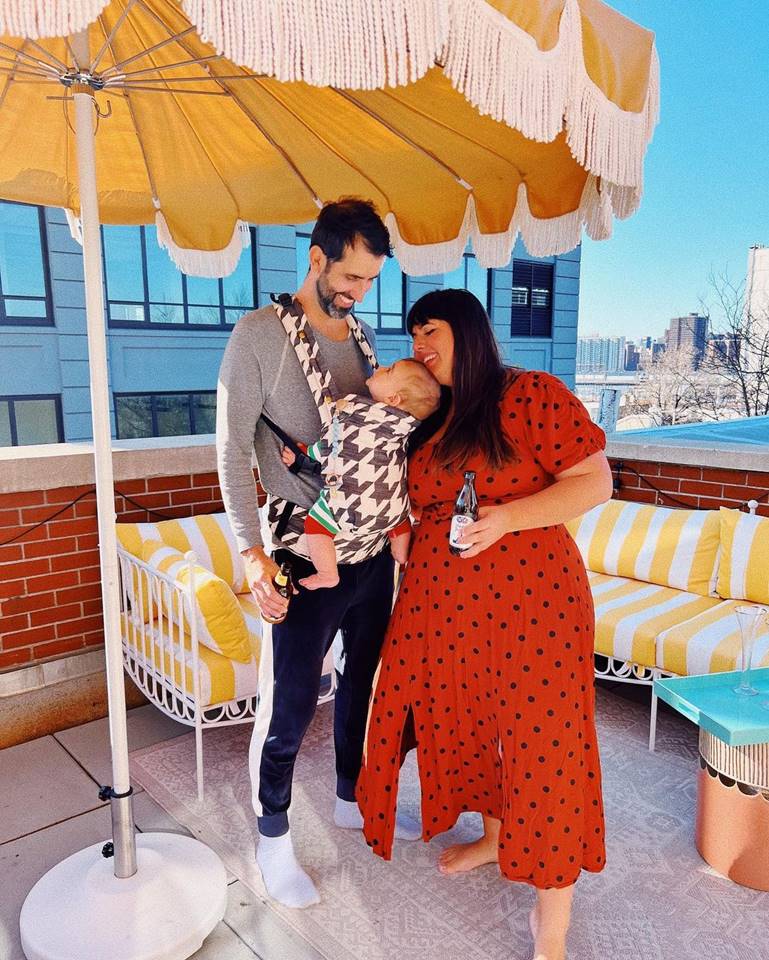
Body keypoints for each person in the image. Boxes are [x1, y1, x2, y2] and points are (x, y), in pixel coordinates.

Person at [356, 289, 613, 960]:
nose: (418, 344)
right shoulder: (428, 418)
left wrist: (508, 517)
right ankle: (496, 836)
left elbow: (593, 481)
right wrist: (399, 530)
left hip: (535, 606)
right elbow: (401, 498)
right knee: (469, 728)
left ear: (466, 331)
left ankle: (549, 917)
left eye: (430, 330)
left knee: (544, 748)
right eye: (412, 335)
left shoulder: (531, 393)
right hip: (442, 608)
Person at [216, 199, 420, 911]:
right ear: (315, 256)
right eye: (350, 276)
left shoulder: (361, 341)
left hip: (368, 554)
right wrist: (250, 555)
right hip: (304, 552)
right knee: (290, 704)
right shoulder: (257, 337)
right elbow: (229, 454)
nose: (357, 292)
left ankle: (346, 794)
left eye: (368, 281)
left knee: (362, 684)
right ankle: (271, 839)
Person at [281, 358, 441, 589]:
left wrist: (304, 453)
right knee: (396, 514)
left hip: (352, 505)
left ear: (393, 399)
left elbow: (333, 448)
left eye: (389, 370)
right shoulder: (403, 428)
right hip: (392, 508)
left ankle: (327, 573)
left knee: (316, 525)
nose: (381, 367)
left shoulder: (355, 416)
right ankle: (401, 553)